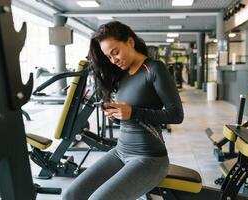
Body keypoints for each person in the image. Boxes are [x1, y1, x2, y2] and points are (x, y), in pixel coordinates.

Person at [63, 21, 184, 200]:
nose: (114, 60)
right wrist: (116, 115)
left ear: (130, 42)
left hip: (149, 159)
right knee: (71, 195)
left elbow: (176, 114)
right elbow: (128, 117)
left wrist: (133, 112)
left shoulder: (153, 69)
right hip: (120, 152)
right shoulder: (121, 75)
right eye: (109, 57)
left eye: (115, 52)